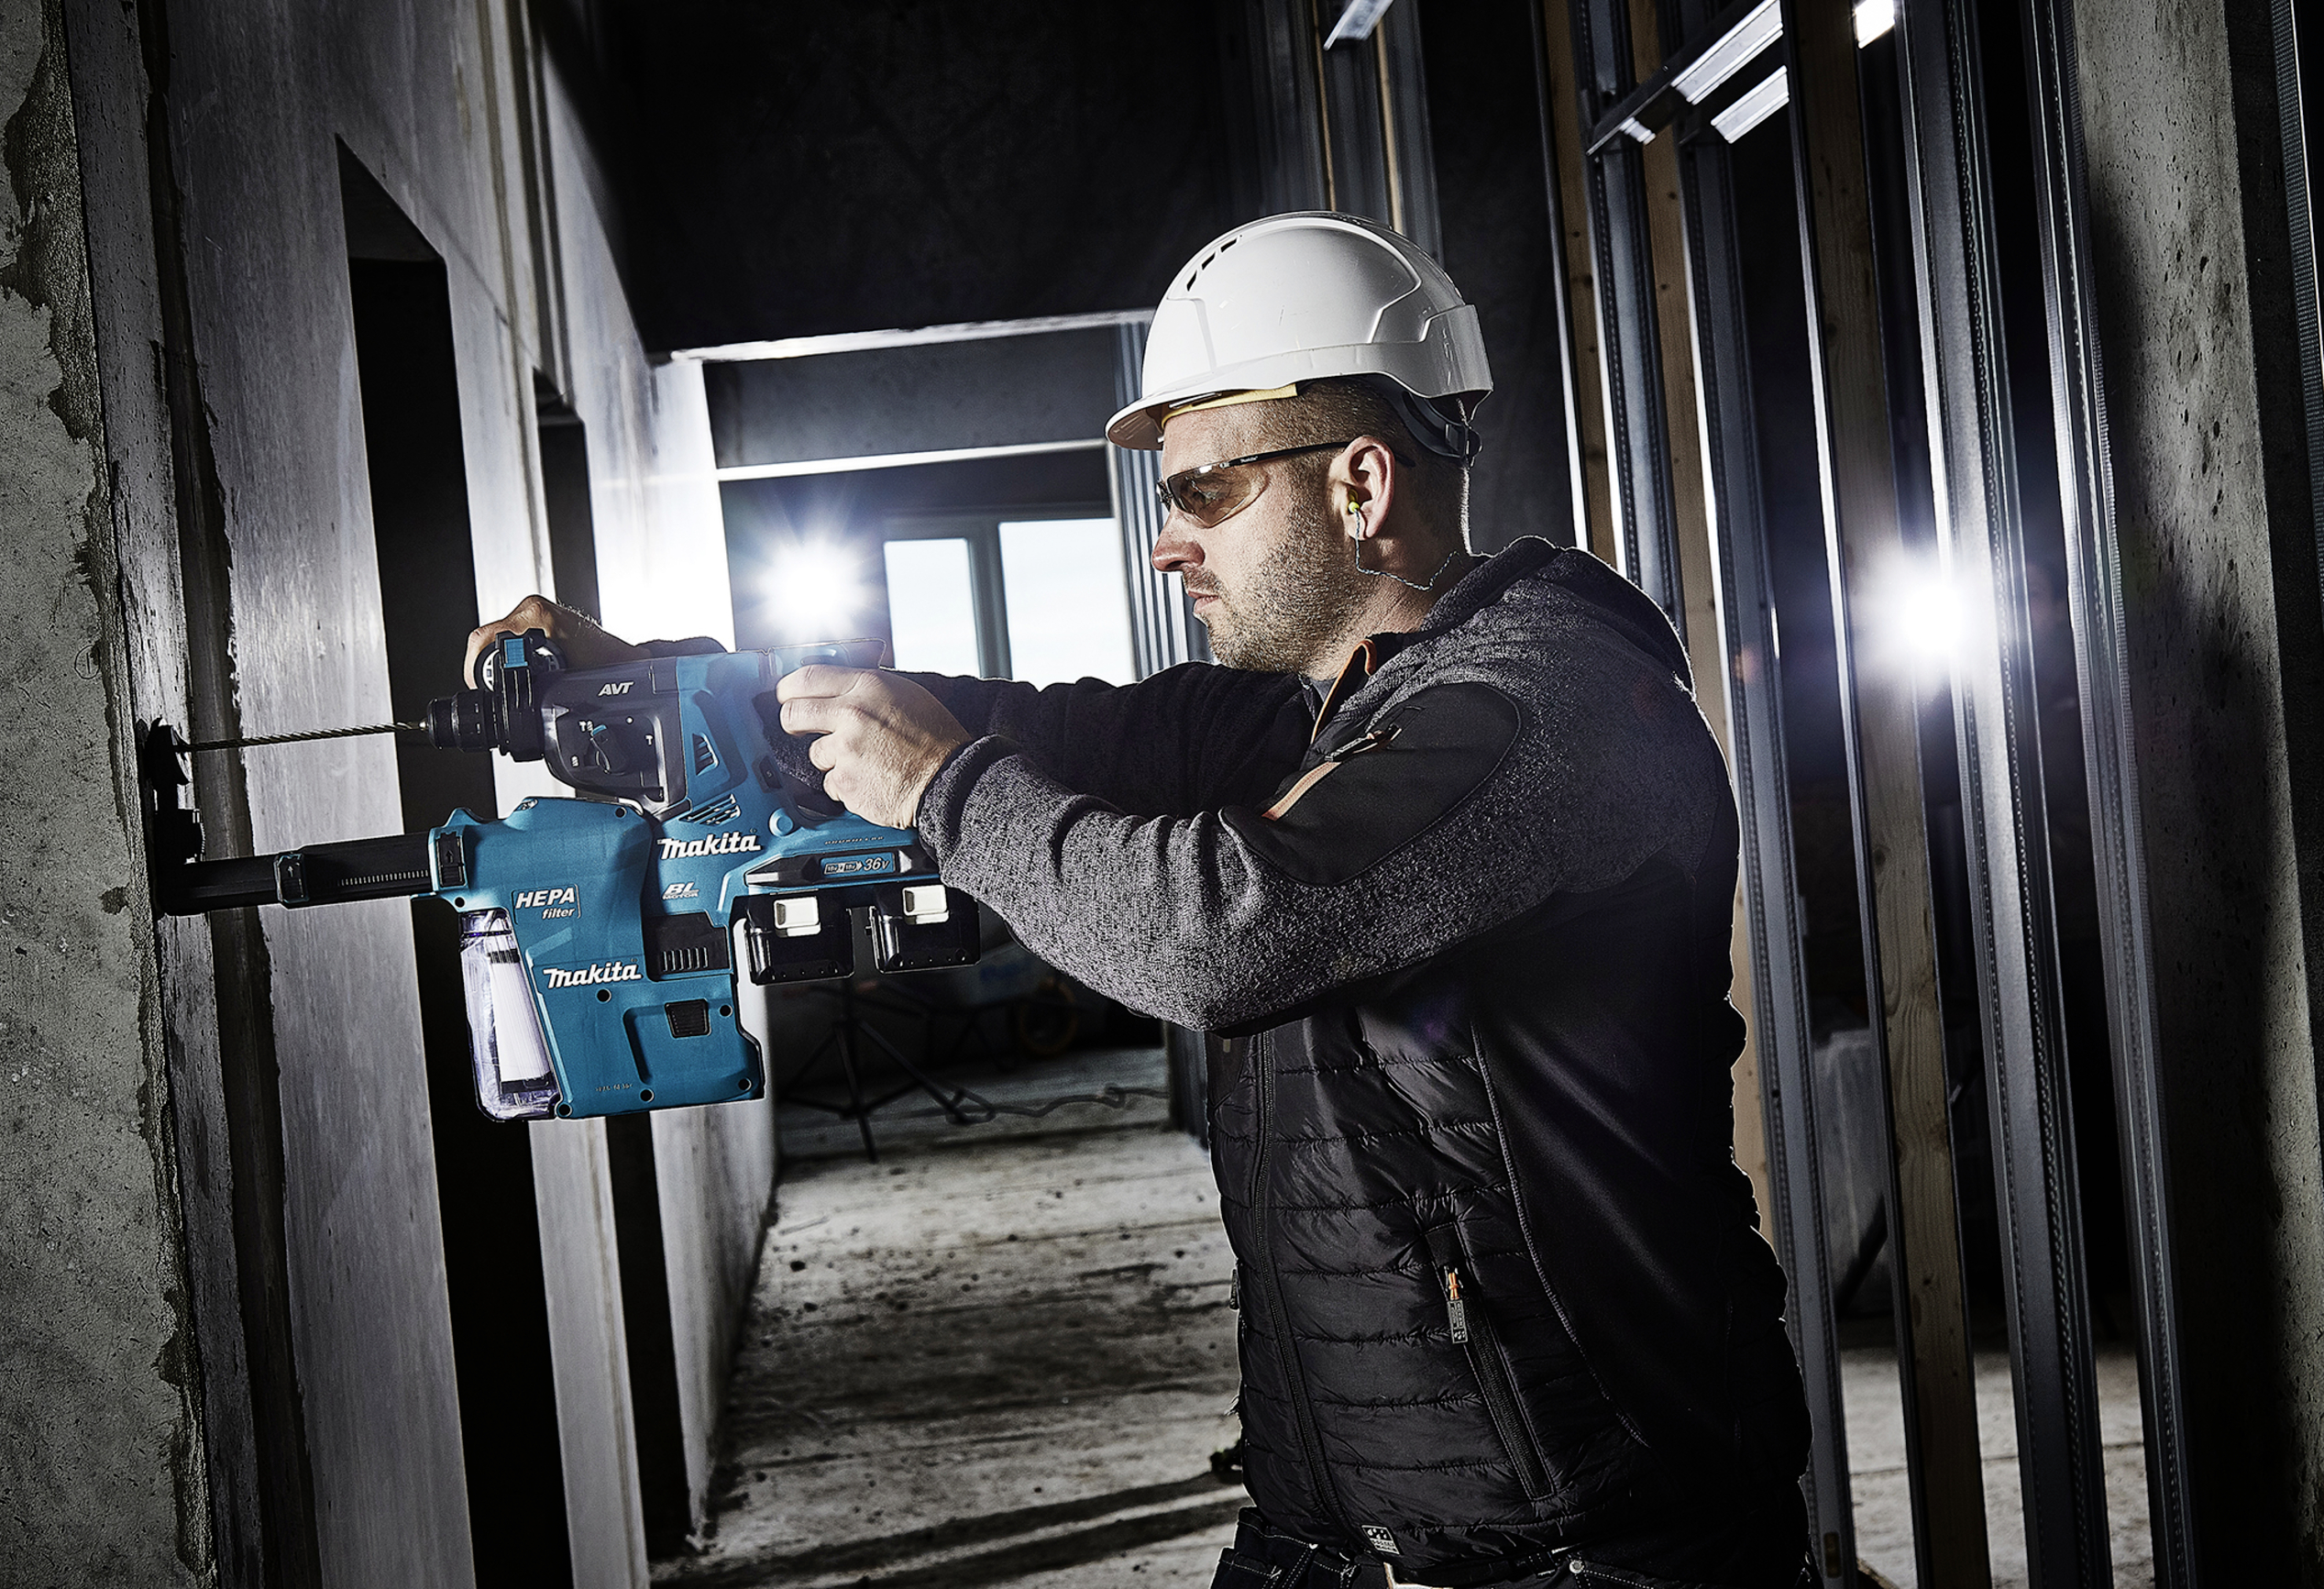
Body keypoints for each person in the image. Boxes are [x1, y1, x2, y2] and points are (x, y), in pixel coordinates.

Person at [468, 213, 1812, 1589]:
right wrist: (671, 689)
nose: (1167, 544)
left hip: (1602, 1548)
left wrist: (945, 790)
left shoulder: (1542, 710)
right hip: (1355, 1533)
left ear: (1359, 482)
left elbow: (1224, 929)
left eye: (1208, 492)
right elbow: (1036, 731)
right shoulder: (1325, 714)